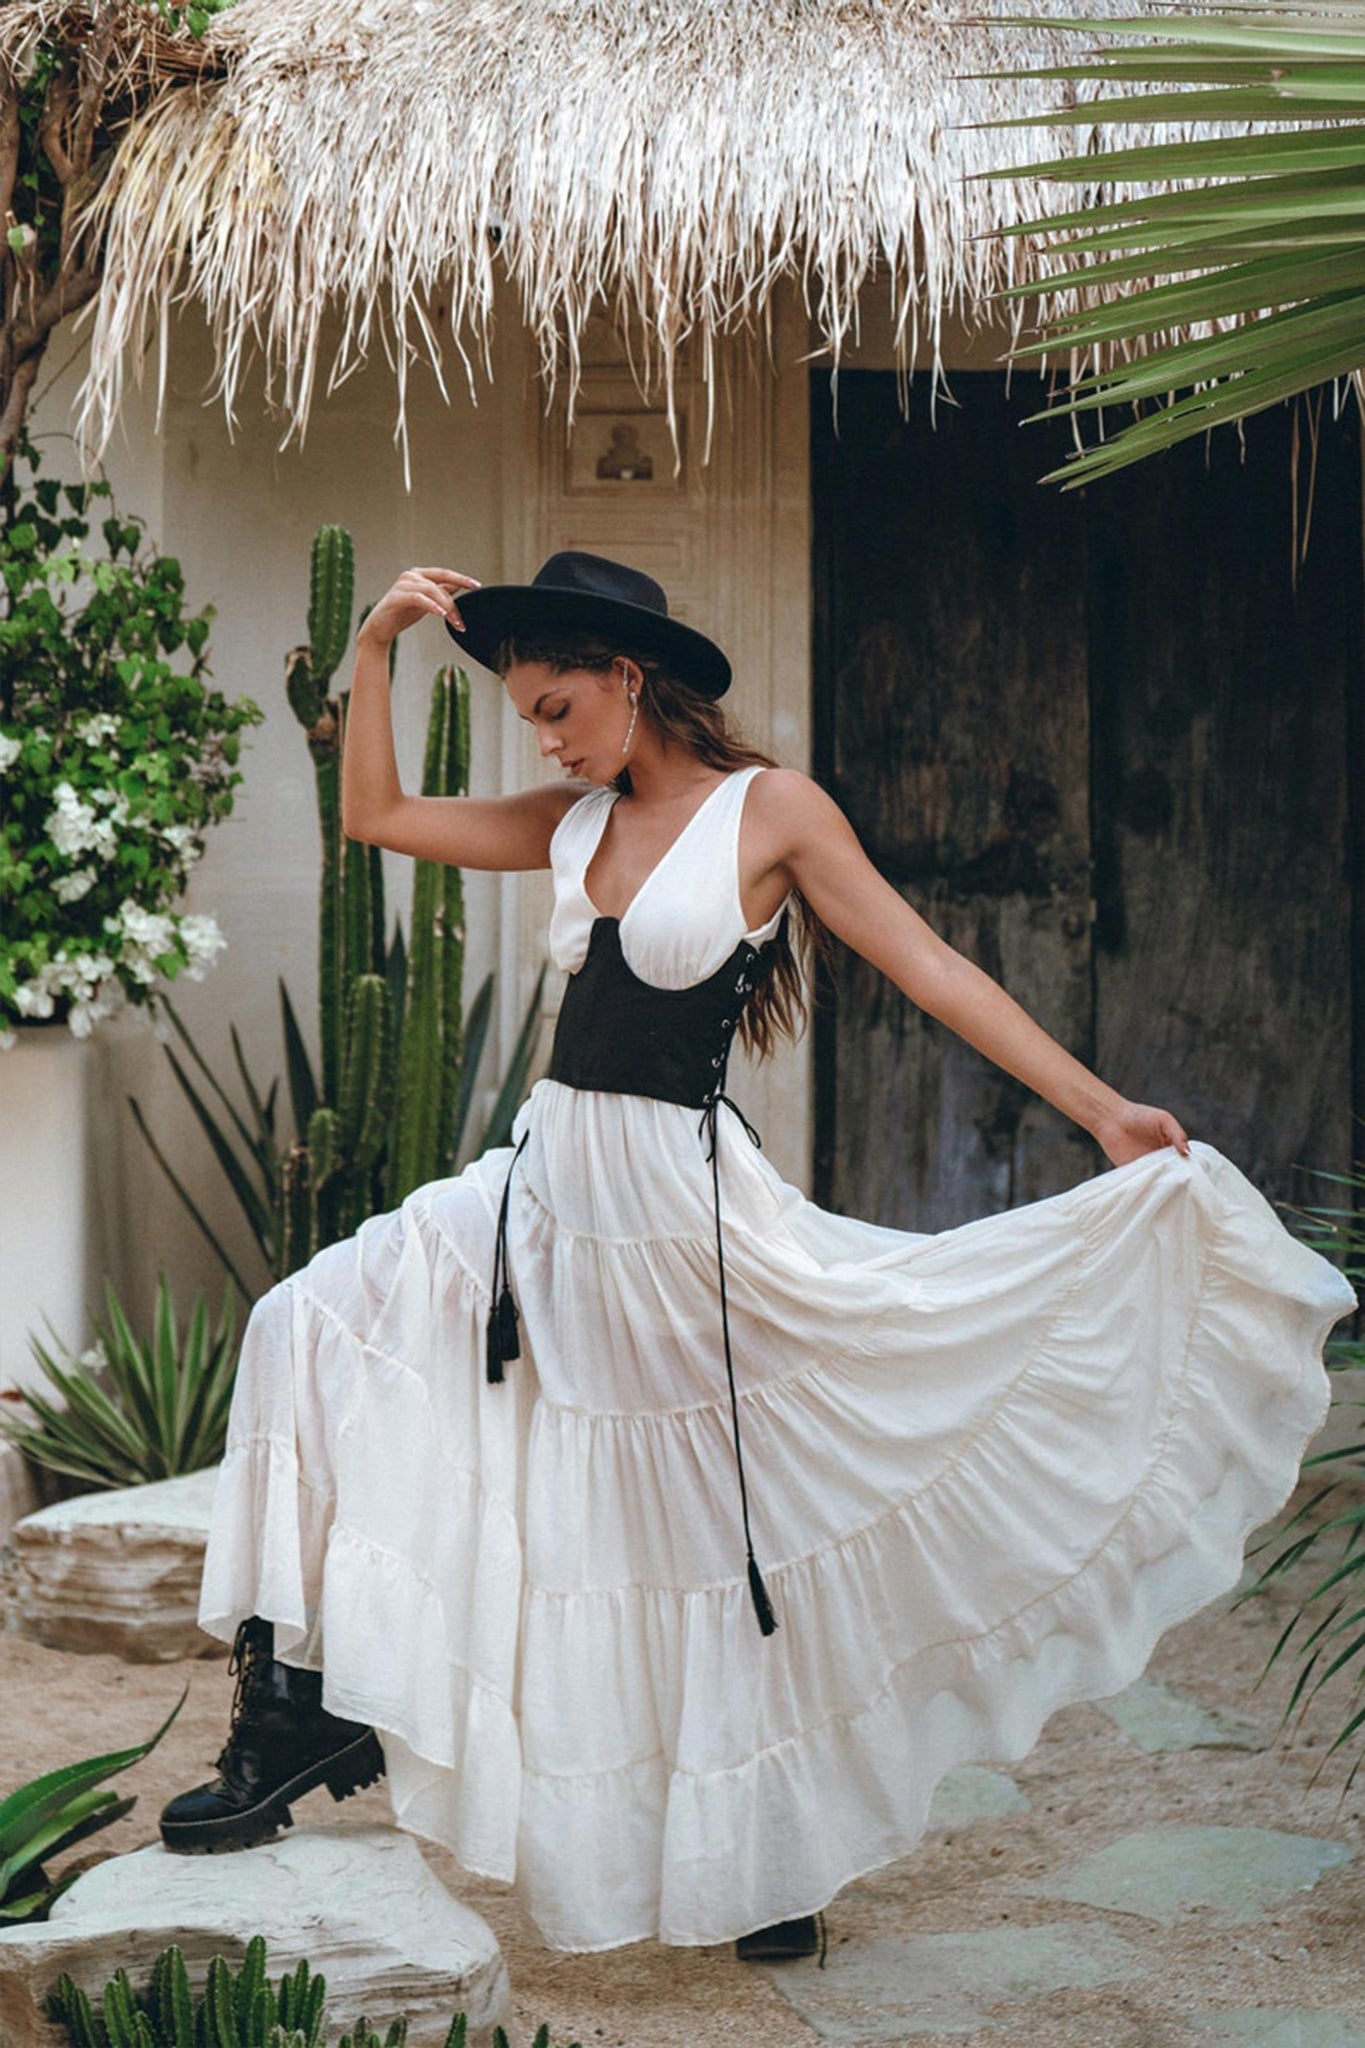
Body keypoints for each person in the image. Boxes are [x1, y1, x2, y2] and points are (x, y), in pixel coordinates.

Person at [161, 552, 1355, 1962]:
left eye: (557, 708)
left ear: (628, 676)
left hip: (675, 1224)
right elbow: (373, 813)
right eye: (529, 716)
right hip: (539, 1200)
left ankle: (769, 1852)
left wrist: (1100, 1112)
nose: (545, 737)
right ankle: (301, 1713)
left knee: (702, 1528)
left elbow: (929, 967)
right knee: (304, 1322)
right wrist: (373, 649)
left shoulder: (768, 812)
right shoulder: (567, 820)